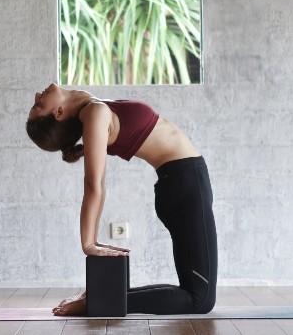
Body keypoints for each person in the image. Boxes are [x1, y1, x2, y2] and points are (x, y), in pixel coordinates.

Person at [26, 83, 217, 316]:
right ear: (58, 113)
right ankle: (98, 302)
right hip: (186, 184)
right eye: (39, 104)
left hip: (182, 182)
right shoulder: (95, 114)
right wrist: (88, 244)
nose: (37, 95)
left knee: (196, 292)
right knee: (200, 299)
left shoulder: (93, 109)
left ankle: (99, 298)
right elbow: (94, 185)